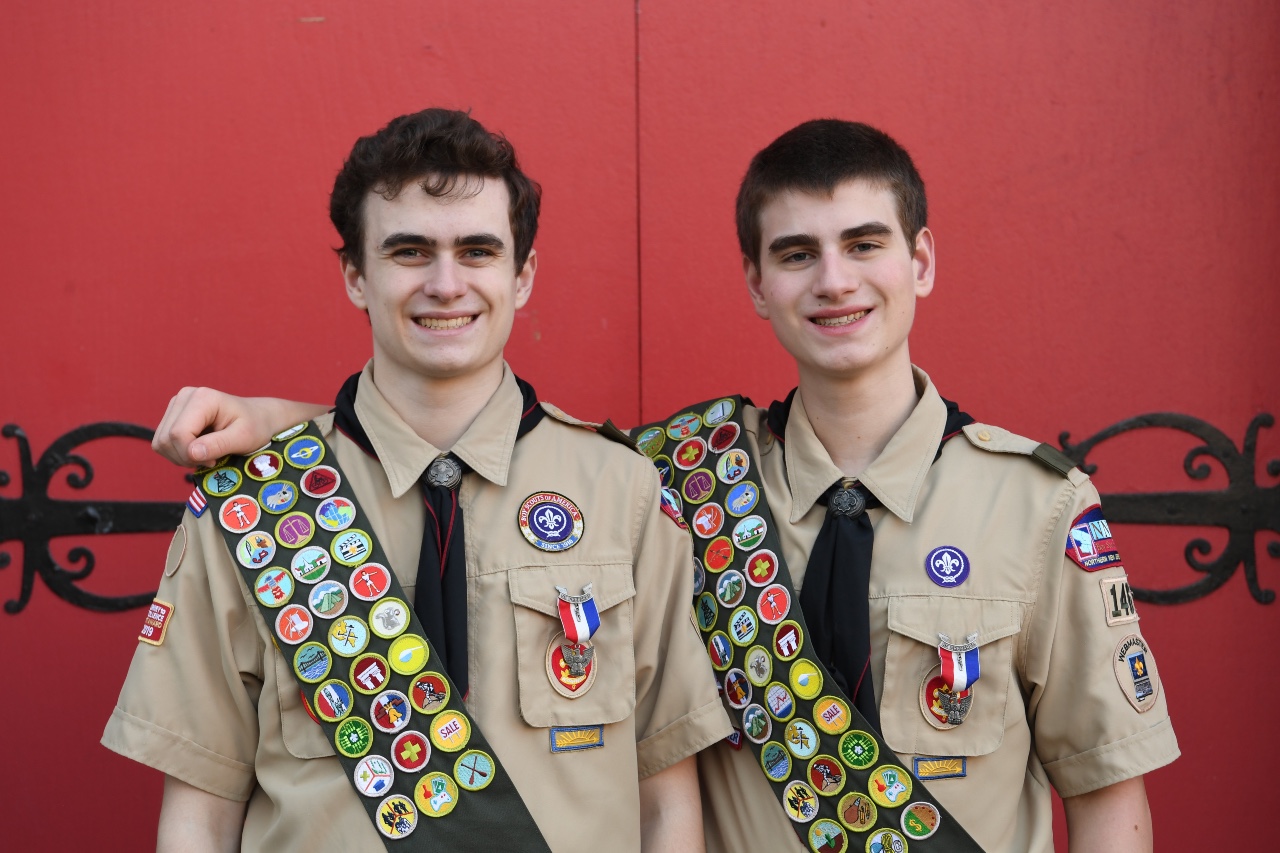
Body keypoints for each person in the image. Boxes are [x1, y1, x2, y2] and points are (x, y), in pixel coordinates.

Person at [150, 119, 1178, 852]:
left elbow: (1106, 790)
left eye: (863, 245)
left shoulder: (1034, 503)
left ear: (920, 262)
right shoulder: (676, 482)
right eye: (796, 253)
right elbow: (440, 440)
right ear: (755, 281)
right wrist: (287, 432)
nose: (833, 280)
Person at [105, 108, 730, 853]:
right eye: (409, 251)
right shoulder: (255, 507)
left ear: (522, 276)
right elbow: (199, 818)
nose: (445, 283)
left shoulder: (621, 492)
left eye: (477, 251)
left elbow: (666, 803)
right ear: (355, 276)